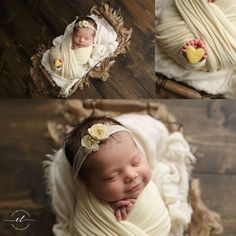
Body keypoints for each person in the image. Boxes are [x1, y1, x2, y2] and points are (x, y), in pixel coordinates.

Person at [64, 116, 171, 235]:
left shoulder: (151, 187)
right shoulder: (89, 208)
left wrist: (135, 209)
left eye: (136, 162)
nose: (131, 175)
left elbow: (161, 221)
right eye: (112, 176)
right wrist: (113, 212)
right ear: (87, 183)